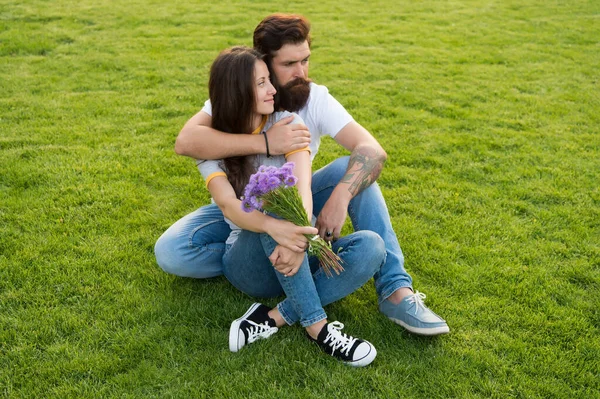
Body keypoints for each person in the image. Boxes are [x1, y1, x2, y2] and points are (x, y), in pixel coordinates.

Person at [155, 14, 449, 336]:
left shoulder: (313, 99)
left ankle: (394, 289)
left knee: (348, 174)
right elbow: (186, 143)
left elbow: (371, 150)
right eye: (289, 64)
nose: (302, 72)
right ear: (262, 64)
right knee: (174, 251)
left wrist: (339, 198)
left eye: (306, 60)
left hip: (296, 198)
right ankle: (266, 256)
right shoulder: (239, 90)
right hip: (243, 203)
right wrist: (266, 143)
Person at [201, 46, 385, 366]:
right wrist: (277, 227)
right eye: (261, 83)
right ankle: (319, 328)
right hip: (249, 262)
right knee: (271, 197)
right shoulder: (213, 143)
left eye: (268, 80)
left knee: (371, 246)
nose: (274, 88)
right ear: (237, 92)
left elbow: (302, 187)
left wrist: (296, 240)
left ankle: (273, 317)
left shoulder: (288, 121)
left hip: (294, 250)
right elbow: (230, 206)